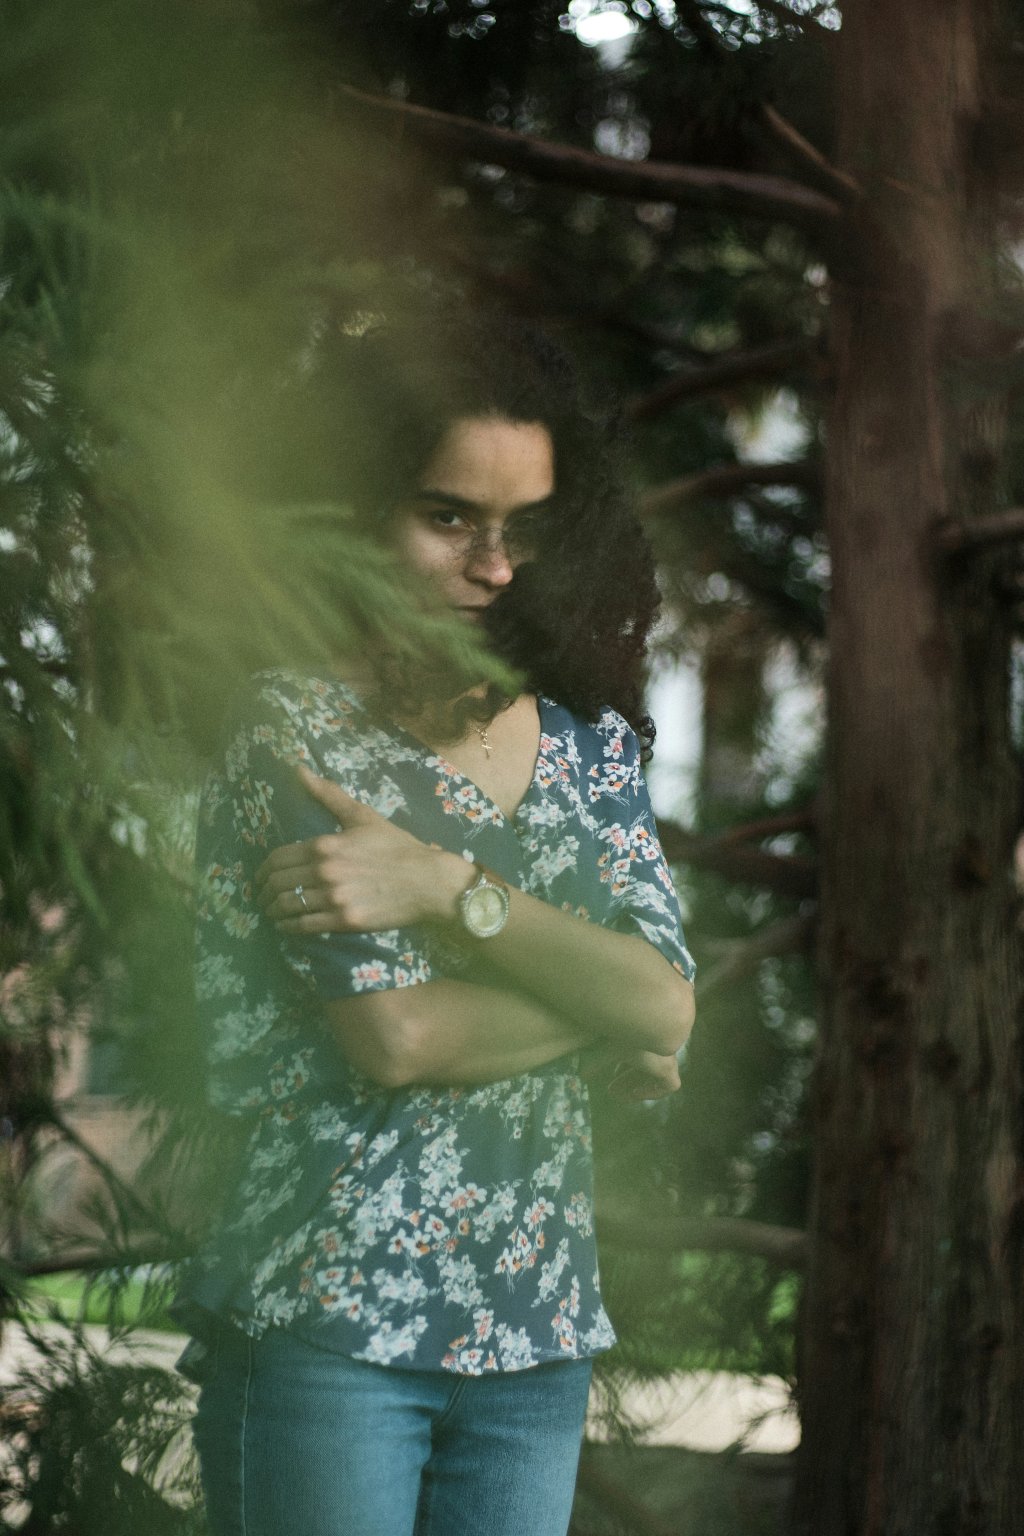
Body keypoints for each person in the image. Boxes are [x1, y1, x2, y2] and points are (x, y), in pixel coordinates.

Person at [171, 309, 696, 1536]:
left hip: (539, 1339)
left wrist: (438, 890)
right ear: (361, 511)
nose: (493, 566)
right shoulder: (292, 738)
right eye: (448, 516)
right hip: (330, 1327)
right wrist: (598, 998)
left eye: (525, 528)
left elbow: (669, 1001)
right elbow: (397, 1037)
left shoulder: (587, 750)